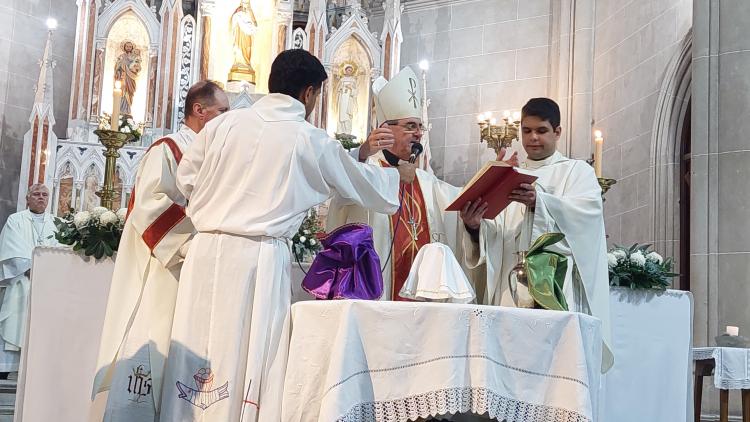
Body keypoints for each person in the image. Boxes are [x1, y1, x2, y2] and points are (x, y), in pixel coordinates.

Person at [160, 49, 402, 421]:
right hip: (257, 259)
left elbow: (185, 180)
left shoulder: (221, 126)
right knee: (249, 357)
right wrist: (392, 172)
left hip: (205, 252)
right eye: (318, 95)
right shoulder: (307, 138)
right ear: (308, 93)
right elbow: (361, 186)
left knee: (197, 347)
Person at [92, 80, 229, 421]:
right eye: (222, 112)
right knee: (154, 351)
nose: (228, 120)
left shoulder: (210, 153)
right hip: (165, 271)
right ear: (200, 110)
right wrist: (195, 245)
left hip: (194, 272)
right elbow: (150, 207)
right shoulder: (169, 149)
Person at [460, 97, 613, 370]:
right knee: (508, 367)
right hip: (510, 287)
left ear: (557, 132)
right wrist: (474, 227)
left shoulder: (577, 172)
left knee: (555, 368)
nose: (533, 138)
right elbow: (498, 234)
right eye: (527, 131)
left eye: (541, 130)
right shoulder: (508, 175)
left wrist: (539, 202)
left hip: (557, 287)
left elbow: (587, 219)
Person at [327, 66, 474, 301]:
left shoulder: (427, 182)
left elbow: (459, 203)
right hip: (379, 295)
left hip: (422, 301)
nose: (418, 134)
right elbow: (341, 181)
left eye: (419, 127)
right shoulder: (368, 170)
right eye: (410, 126)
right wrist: (363, 152)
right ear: (386, 129)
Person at [0, 184, 58, 376]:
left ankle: (39, 370)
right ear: (28, 198)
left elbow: (63, 249)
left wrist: (47, 269)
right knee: (17, 325)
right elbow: (12, 247)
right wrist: (32, 268)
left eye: (44, 195)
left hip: (49, 284)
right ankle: (10, 371)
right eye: (36, 194)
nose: (41, 197)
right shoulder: (15, 220)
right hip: (23, 281)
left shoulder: (57, 223)